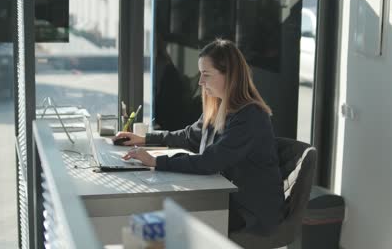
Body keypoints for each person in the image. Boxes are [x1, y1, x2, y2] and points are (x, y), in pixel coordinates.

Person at [114, 39, 284, 235]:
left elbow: (210, 162)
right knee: (151, 218)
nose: (201, 82)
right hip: (224, 198)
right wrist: (144, 139)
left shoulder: (250, 116)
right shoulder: (220, 106)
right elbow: (190, 136)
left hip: (249, 212)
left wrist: (155, 161)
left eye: (206, 74)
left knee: (160, 226)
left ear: (229, 75)